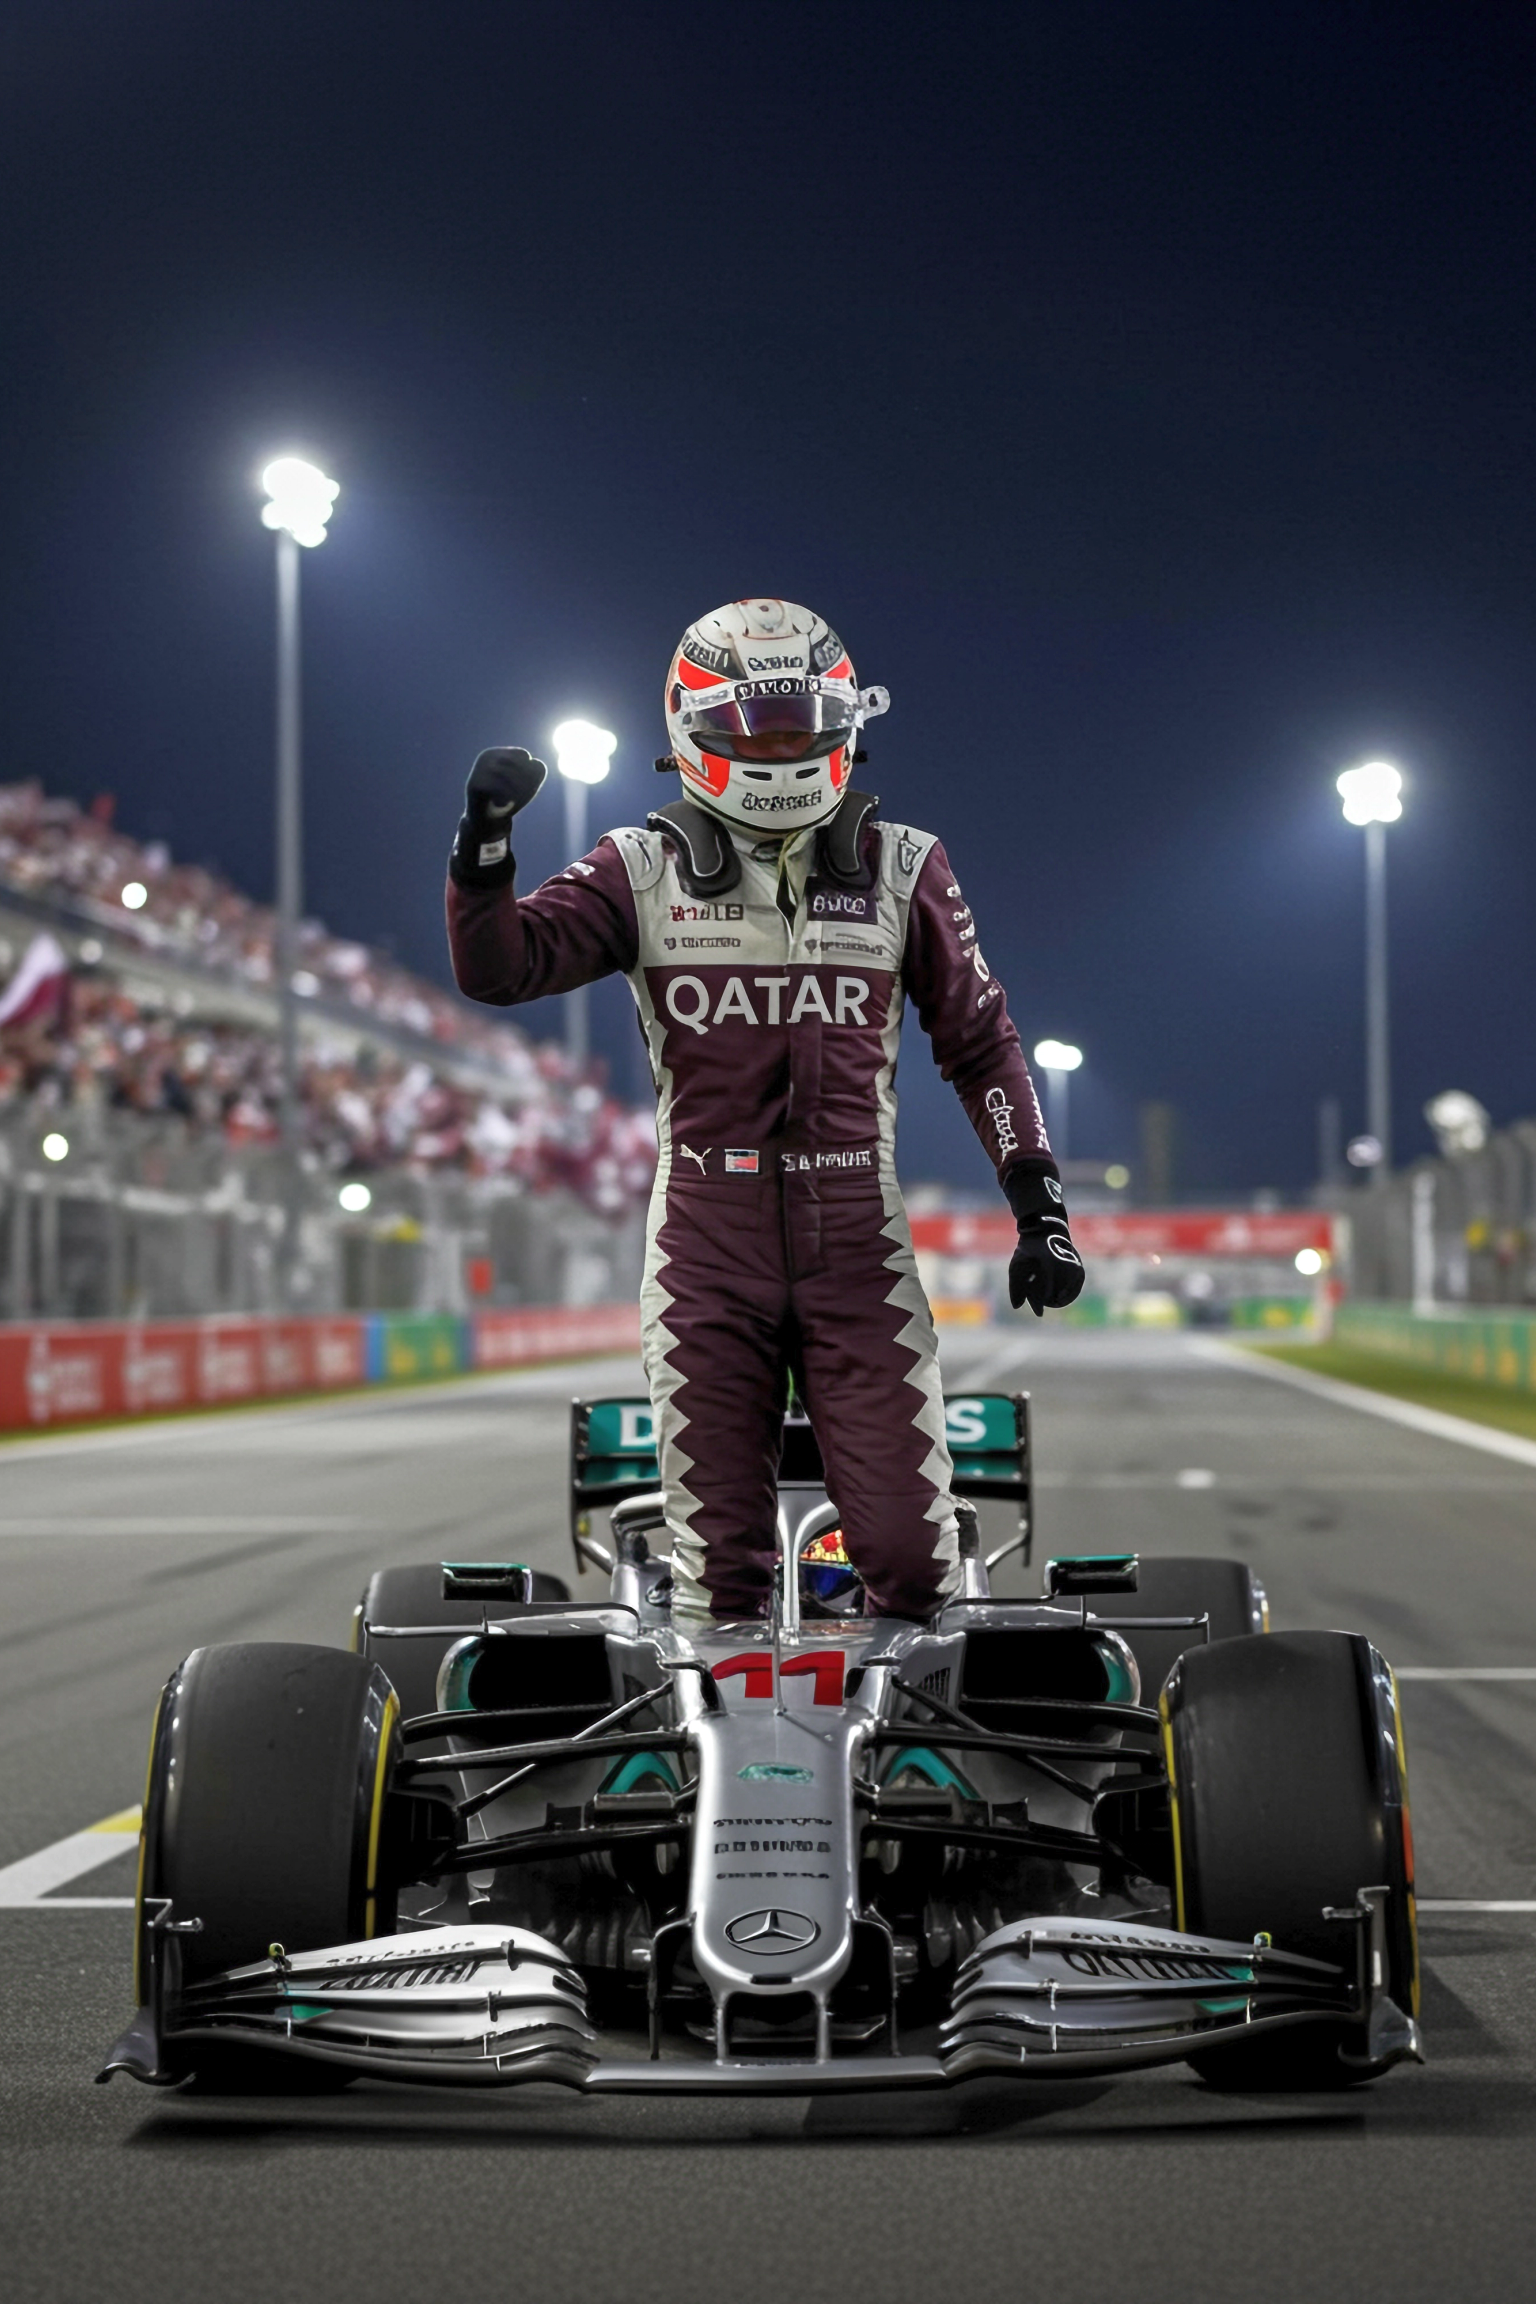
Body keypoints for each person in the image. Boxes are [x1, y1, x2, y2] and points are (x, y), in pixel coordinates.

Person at [446, 597, 1083, 1621]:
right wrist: (483, 847)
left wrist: (1040, 1206)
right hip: (704, 1242)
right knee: (721, 1578)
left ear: (847, 725)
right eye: (757, 730)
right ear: (693, 730)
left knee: (913, 1565)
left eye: (800, 726)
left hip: (858, 1241)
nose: (782, 751)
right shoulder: (637, 868)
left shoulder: (906, 866)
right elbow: (501, 968)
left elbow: (981, 1045)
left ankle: (893, 1724)